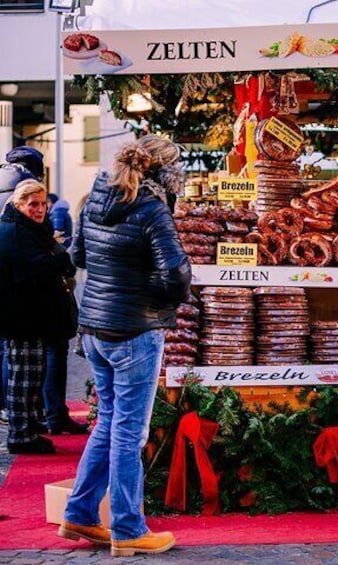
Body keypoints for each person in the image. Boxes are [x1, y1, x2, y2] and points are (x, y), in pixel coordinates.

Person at [60, 135, 191, 556]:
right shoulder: (152, 209)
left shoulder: (94, 199)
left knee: (109, 422)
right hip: (135, 329)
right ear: (166, 173)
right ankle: (129, 528)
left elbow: (78, 257)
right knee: (129, 432)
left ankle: (80, 512)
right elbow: (177, 274)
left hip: (96, 328)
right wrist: (161, 300)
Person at [0, 179, 76, 455]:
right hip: (20, 318)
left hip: (29, 315)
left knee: (32, 376)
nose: (39, 209)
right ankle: (21, 435)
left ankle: (29, 426)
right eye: (33, 204)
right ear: (19, 204)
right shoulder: (15, 232)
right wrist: (61, 261)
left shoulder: (26, 228)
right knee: (23, 378)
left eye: (43, 203)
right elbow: (38, 268)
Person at [0, 146, 45, 426]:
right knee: (19, 357)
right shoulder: (24, 189)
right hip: (16, 288)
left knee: (6, 349)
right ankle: (17, 417)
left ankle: (8, 409)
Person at [42, 192, 87, 435]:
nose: (40, 209)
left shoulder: (40, 228)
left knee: (54, 356)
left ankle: (54, 414)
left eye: (42, 204)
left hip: (49, 304)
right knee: (52, 356)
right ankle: (54, 415)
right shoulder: (34, 232)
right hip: (47, 305)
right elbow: (71, 260)